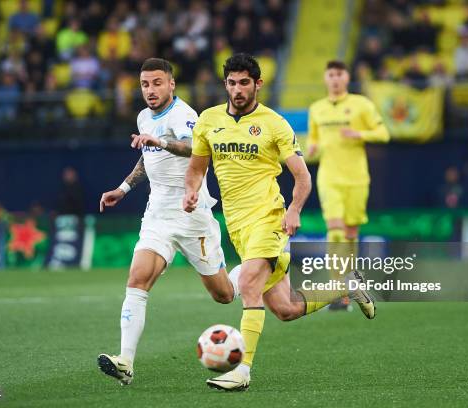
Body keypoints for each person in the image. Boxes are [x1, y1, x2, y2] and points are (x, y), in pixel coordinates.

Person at [184, 54, 375, 391]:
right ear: (225, 84)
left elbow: (302, 177)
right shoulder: (208, 120)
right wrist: (191, 191)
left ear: (258, 84)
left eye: (244, 82)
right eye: (231, 83)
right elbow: (198, 167)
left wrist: (294, 209)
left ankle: (241, 371)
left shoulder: (275, 124)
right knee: (285, 310)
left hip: (268, 217)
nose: (238, 89)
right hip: (237, 226)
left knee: (249, 285)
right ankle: (346, 286)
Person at [96, 58, 237, 386]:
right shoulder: (144, 116)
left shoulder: (185, 115)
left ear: (171, 84)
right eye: (145, 84)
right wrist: (123, 188)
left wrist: (160, 141)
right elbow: (147, 157)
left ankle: (256, 273)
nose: (150, 90)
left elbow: (196, 149)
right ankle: (125, 361)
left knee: (224, 294)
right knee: (137, 279)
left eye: (157, 83)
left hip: (191, 214)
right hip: (157, 213)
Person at [307, 60, 389, 310]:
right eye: (330, 74)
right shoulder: (317, 109)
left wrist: (359, 134)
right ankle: (338, 291)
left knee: (351, 234)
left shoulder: (361, 105)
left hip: (356, 178)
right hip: (329, 177)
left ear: (347, 77)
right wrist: (312, 148)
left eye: (339, 74)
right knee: (336, 230)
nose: (334, 79)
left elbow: (383, 133)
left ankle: (350, 282)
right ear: (325, 78)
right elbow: (314, 141)